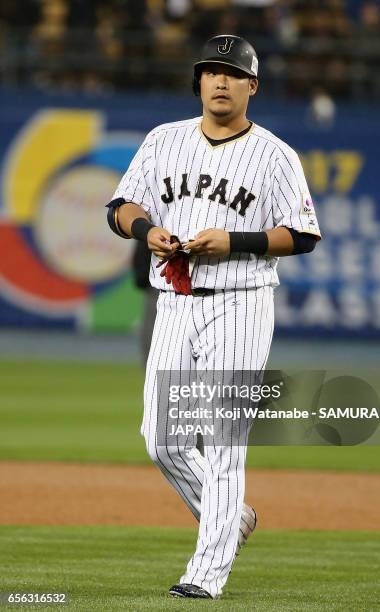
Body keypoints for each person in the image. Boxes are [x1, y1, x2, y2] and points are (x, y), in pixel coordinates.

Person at [106, 34, 321, 599]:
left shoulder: (275, 154)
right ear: (198, 82)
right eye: (210, 71)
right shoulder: (164, 141)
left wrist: (237, 242)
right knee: (163, 440)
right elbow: (121, 205)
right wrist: (145, 229)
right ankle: (232, 517)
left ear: (253, 86)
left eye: (232, 73)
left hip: (240, 303)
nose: (220, 80)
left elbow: (302, 235)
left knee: (224, 439)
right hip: (175, 300)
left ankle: (205, 576)